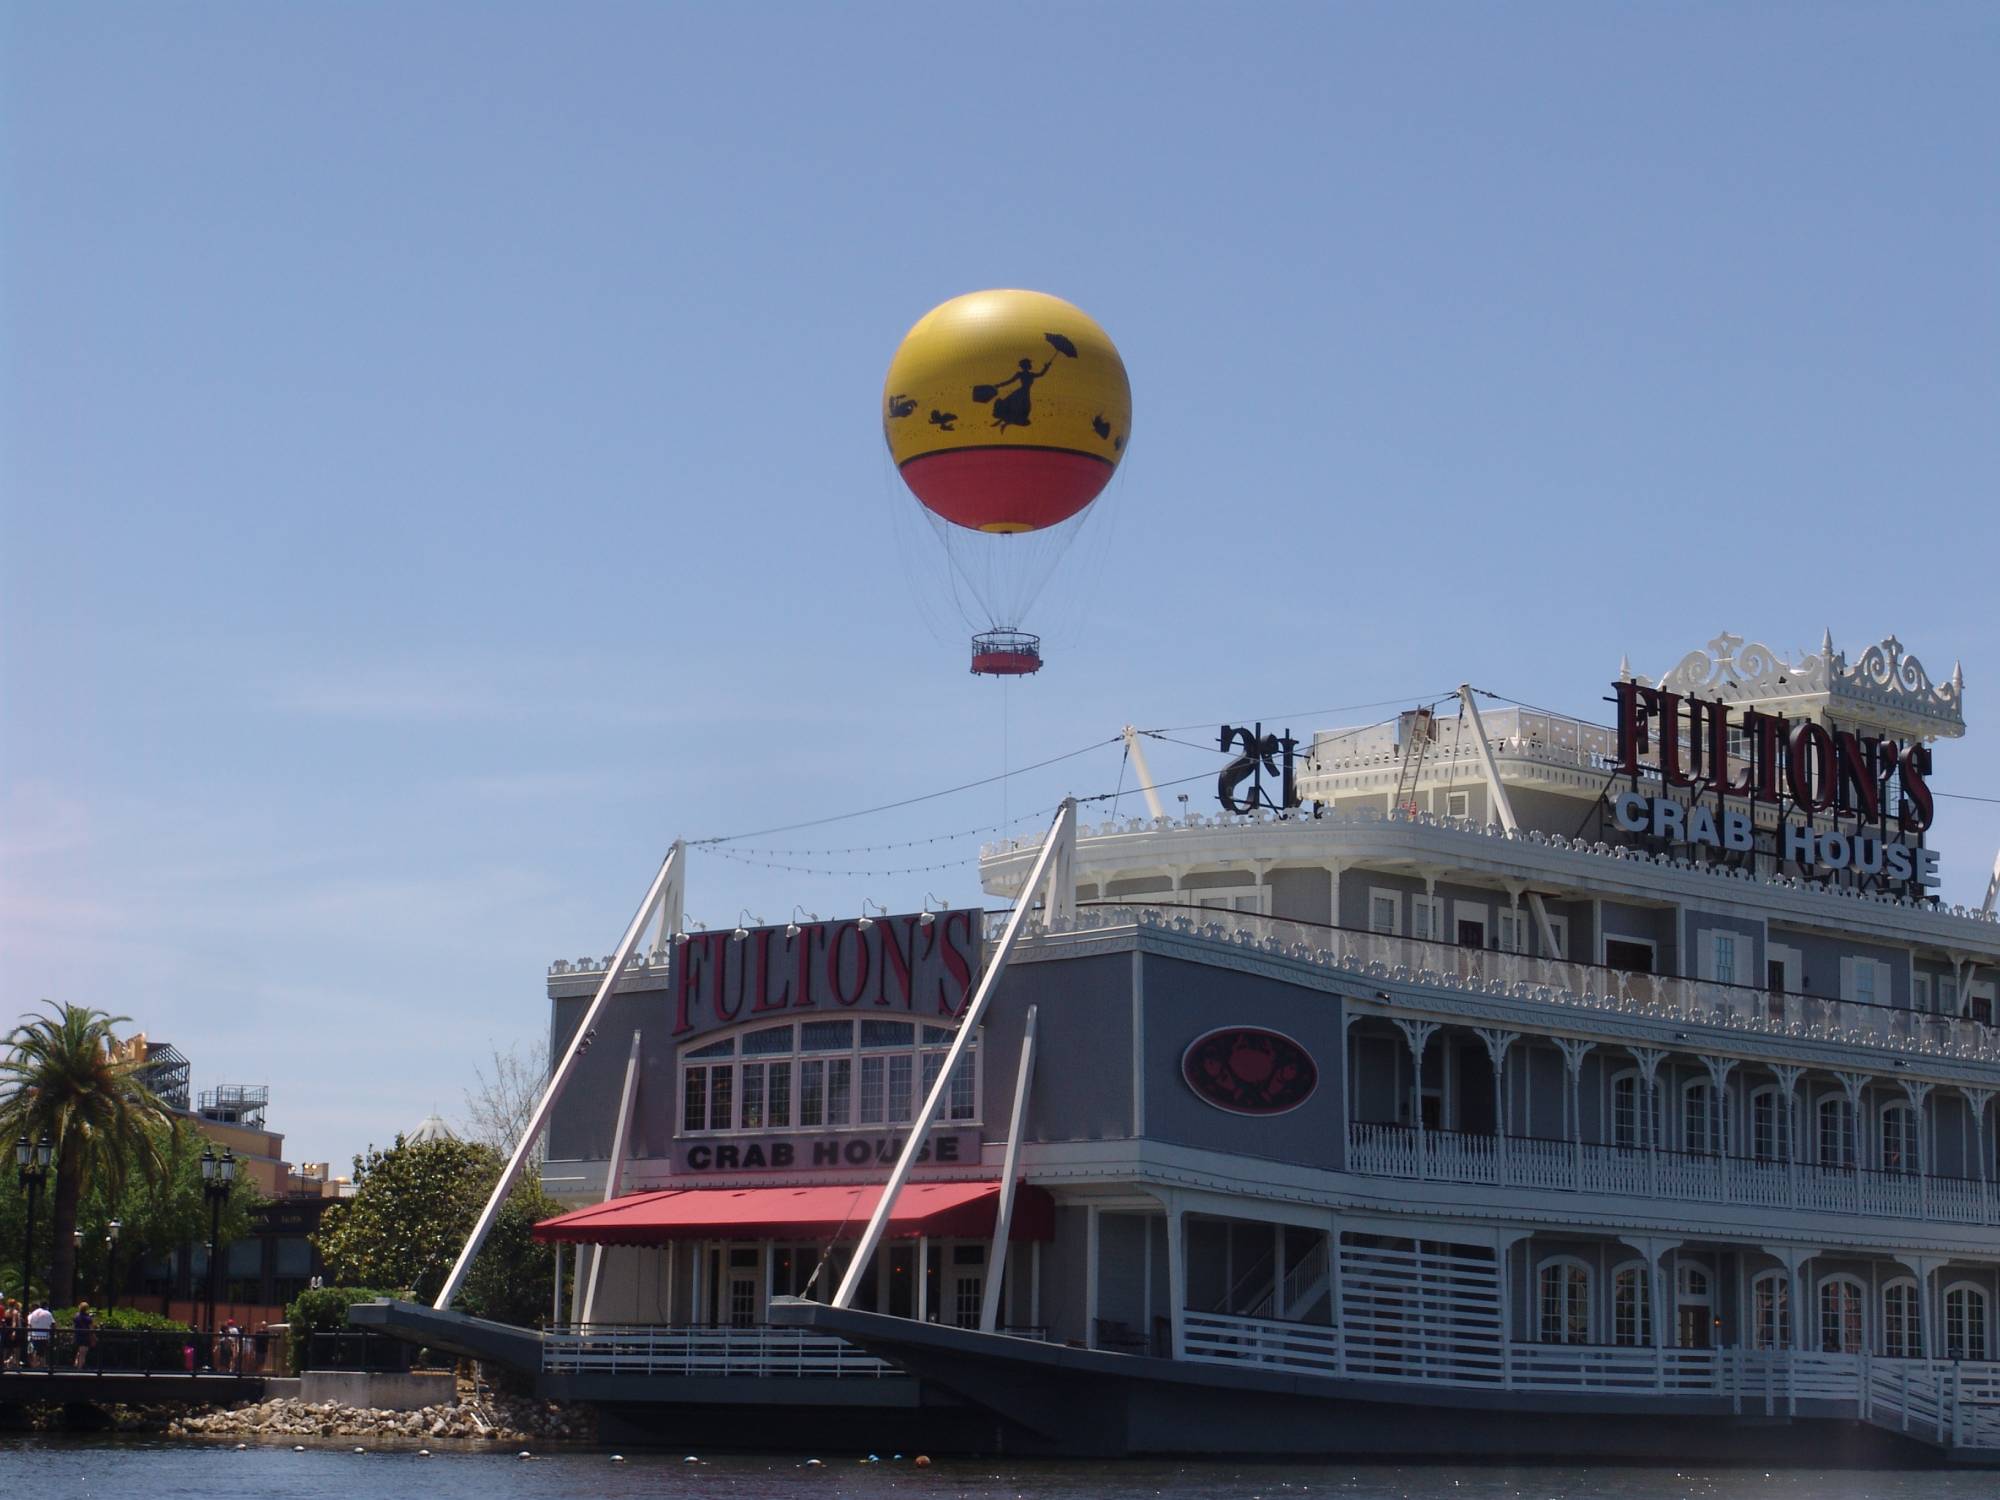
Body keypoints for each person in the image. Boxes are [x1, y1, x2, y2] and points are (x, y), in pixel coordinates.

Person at [25, 1301, 54, 1369]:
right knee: (42, 1352)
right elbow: (53, 1324)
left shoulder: (32, 1314)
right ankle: (42, 1366)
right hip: (45, 1336)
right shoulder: (47, 1313)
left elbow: (30, 1325)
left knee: (34, 1351)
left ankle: (34, 1365)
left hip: (34, 1335)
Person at [72, 1302, 96, 1369]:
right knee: (83, 1353)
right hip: (85, 1336)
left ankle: (77, 1363)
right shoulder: (88, 1318)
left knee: (79, 1351)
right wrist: (94, 1338)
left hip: (77, 1336)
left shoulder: (76, 1317)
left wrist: (73, 1336)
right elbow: (91, 1329)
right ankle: (79, 1369)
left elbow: (73, 1327)